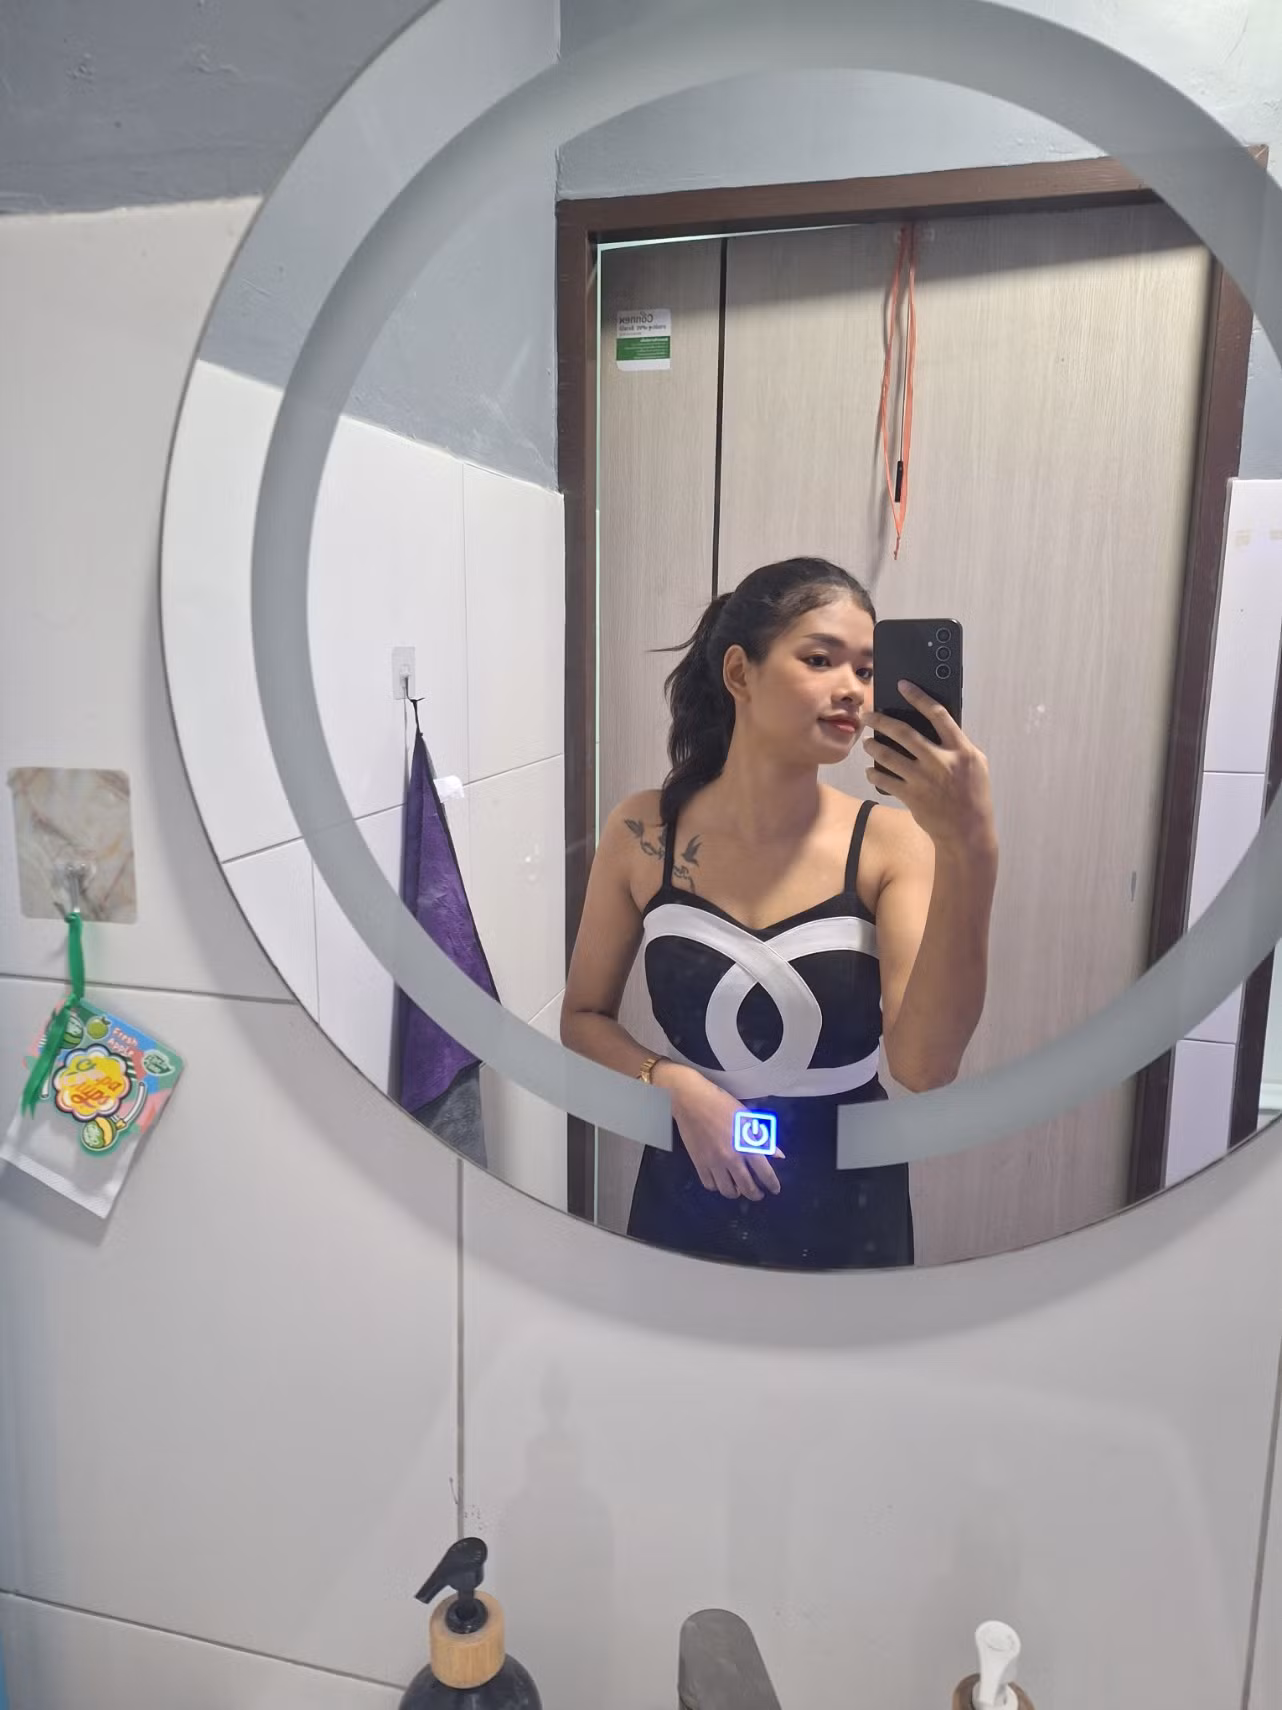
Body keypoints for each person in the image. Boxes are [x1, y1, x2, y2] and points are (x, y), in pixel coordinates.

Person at [560, 556, 997, 1269]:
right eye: (821, 659)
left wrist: (971, 848)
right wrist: (669, 1082)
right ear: (740, 673)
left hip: (847, 1199)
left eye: (866, 670)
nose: (853, 689)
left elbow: (924, 1067)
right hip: (687, 1183)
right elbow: (581, 1018)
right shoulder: (644, 833)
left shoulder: (890, 844)